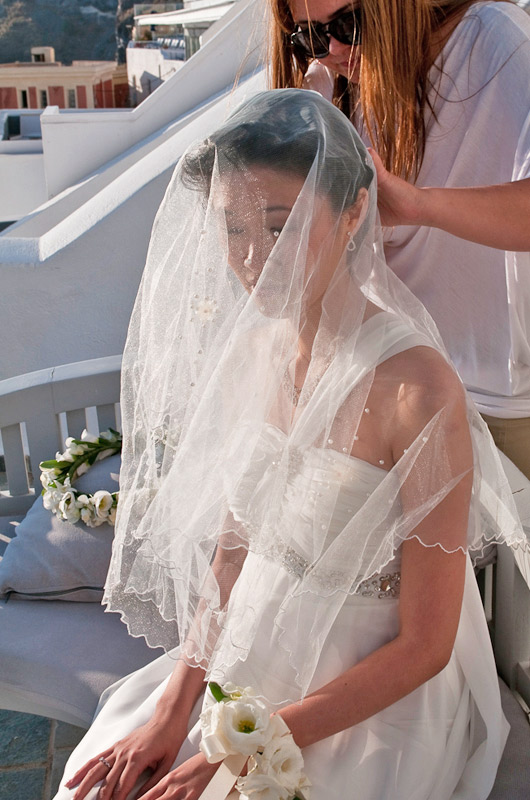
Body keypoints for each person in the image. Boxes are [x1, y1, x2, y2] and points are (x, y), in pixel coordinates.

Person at [54, 91, 526, 800]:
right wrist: (174, 709)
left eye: (280, 226)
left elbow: (427, 647)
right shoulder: (251, 355)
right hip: (255, 640)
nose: (253, 258)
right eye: (232, 228)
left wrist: (252, 742)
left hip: (372, 690)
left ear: (354, 212)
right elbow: (232, 554)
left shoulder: (420, 393)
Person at [268, 0, 530, 477]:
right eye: (308, 36)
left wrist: (420, 206)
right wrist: (314, 116)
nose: (333, 49)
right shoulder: (338, 82)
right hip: (390, 388)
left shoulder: (494, 38)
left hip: (499, 398)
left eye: (348, 23)